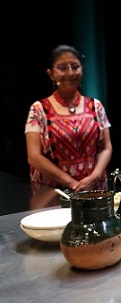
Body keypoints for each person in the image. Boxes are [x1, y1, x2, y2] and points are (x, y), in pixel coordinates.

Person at [25, 45, 112, 208]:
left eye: (75, 66)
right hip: (54, 194)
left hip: (94, 190)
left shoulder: (96, 106)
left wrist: (94, 177)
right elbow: (34, 156)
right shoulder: (38, 109)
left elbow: (106, 147)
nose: (71, 73)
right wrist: (71, 183)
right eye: (63, 68)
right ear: (51, 74)